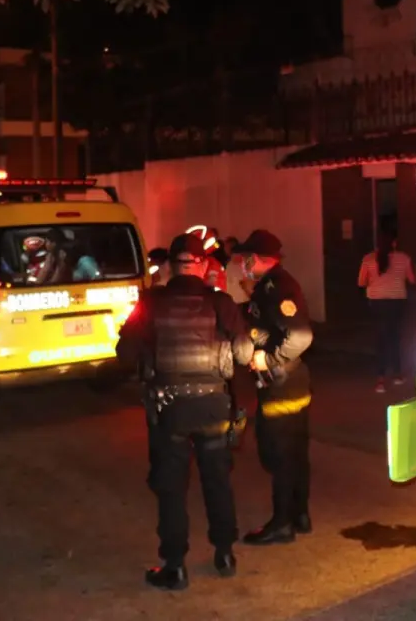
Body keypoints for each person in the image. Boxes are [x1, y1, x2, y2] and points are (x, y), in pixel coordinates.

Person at [116, 232, 252, 591]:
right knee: (217, 481)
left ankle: (175, 566)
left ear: (169, 267)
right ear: (204, 265)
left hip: (169, 410)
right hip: (213, 408)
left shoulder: (151, 302)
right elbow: (243, 355)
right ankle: (224, 553)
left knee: (171, 488)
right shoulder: (221, 303)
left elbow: (123, 353)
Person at [236, 229, 314, 545]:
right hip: (290, 382)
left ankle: (283, 522)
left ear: (257, 259)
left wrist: (269, 359)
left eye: (245, 258)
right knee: (294, 452)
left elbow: (301, 336)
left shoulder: (278, 288)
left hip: (283, 384)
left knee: (278, 453)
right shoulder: (269, 287)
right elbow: (263, 322)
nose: (242, 263)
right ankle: (299, 514)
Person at [357, 227, 416, 393]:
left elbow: (361, 282)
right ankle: (397, 375)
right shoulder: (404, 258)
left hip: (377, 303)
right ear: (394, 243)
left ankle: (380, 380)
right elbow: (411, 279)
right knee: (395, 336)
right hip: (397, 302)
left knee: (381, 339)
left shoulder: (368, 259)